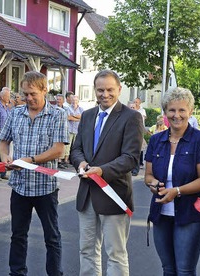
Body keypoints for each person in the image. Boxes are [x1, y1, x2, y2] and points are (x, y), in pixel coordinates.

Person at [69, 69, 144, 276]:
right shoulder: (87, 116)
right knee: (86, 251)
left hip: (115, 195)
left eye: (110, 89)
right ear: (95, 90)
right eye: (100, 90)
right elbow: (76, 149)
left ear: (119, 89)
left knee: (115, 254)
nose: (105, 94)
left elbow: (130, 157)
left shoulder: (132, 117)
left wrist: (102, 171)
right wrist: (81, 163)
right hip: (87, 195)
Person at [0, 71, 68, 276]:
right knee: (18, 235)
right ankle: (17, 272)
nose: (28, 98)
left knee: (51, 236)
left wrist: (31, 161)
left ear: (45, 90)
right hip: (19, 186)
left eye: (32, 94)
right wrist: (4, 157)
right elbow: (3, 142)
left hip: (45, 186)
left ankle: (55, 273)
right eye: (25, 94)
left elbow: (58, 150)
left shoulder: (57, 114)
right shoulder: (15, 113)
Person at [145, 87, 200, 275]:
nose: (177, 115)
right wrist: (153, 184)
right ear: (165, 112)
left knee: (184, 270)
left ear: (190, 111)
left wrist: (176, 191)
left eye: (182, 110)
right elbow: (148, 175)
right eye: (172, 110)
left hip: (191, 213)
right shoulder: (156, 140)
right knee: (168, 269)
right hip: (161, 212)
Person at [65, 95, 83, 168]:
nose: (74, 102)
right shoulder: (68, 108)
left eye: (75, 100)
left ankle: (73, 160)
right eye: (73, 100)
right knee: (67, 146)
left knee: (75, 146)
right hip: (70, 129)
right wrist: (78, 118)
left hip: (77, 130)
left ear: (78, 101)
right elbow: (68, 117)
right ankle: (66, 160)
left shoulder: (81, 109)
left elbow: (82, 117)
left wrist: (74, 116)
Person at [54, 94, 68, 169]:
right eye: (57, 99)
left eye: (59, 99)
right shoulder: (53, 108)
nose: (58, 101)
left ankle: (60, 161)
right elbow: (69, 117)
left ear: (63, 100)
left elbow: (69, 116)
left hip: (65, 129)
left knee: (64, 147)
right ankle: (57, 161)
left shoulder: (66, 109)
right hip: (56, 130)